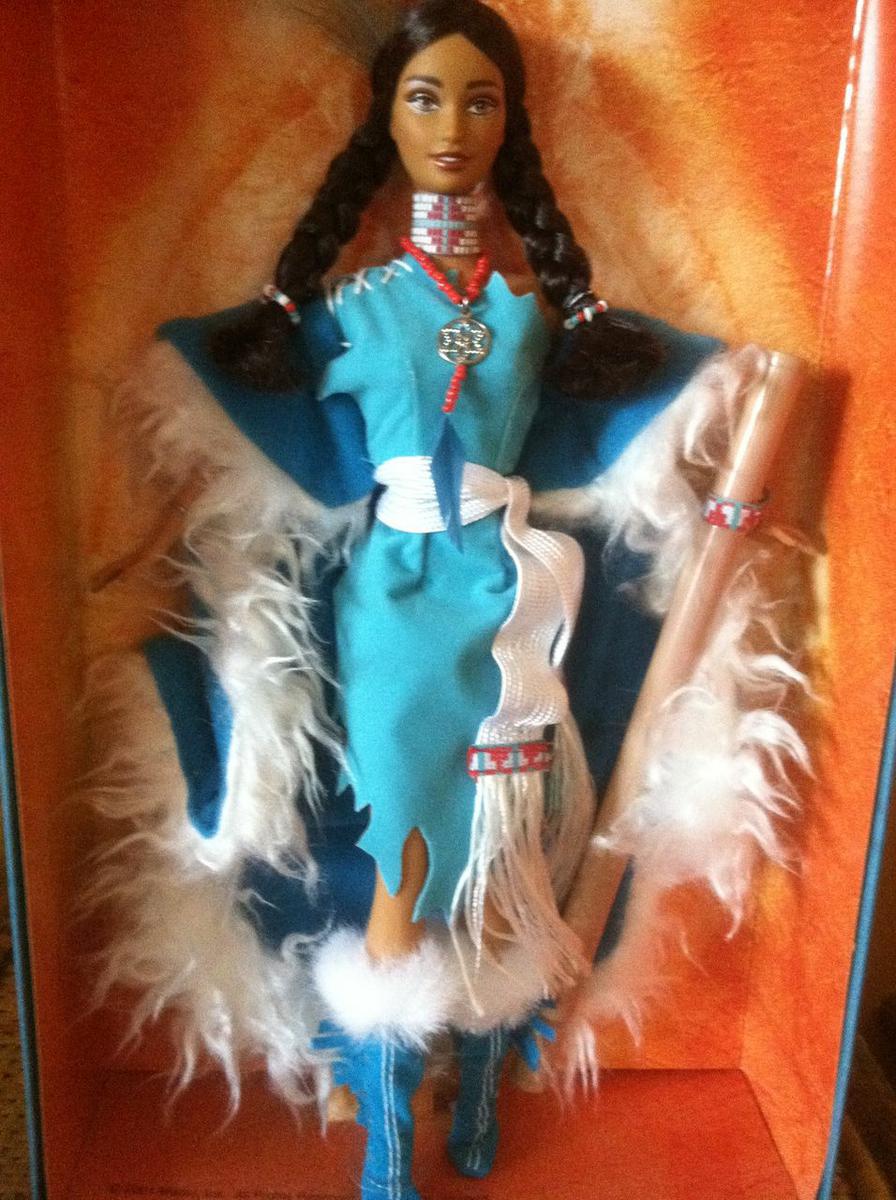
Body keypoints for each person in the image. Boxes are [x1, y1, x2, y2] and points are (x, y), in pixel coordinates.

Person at [93, 3, 806, 1198]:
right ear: (384, 115)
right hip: (393, 595)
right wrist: (150, 542)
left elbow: (611, 404)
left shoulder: (532, 312)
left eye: (481, 100)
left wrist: (716, 426)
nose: (452, 125)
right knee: (402, 858)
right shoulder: (356, 306)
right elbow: (266, 413)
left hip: (508, 592)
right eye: (424, 97)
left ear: (510, 122)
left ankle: (474, 1098)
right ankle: (386, 1148)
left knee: (503, 849)